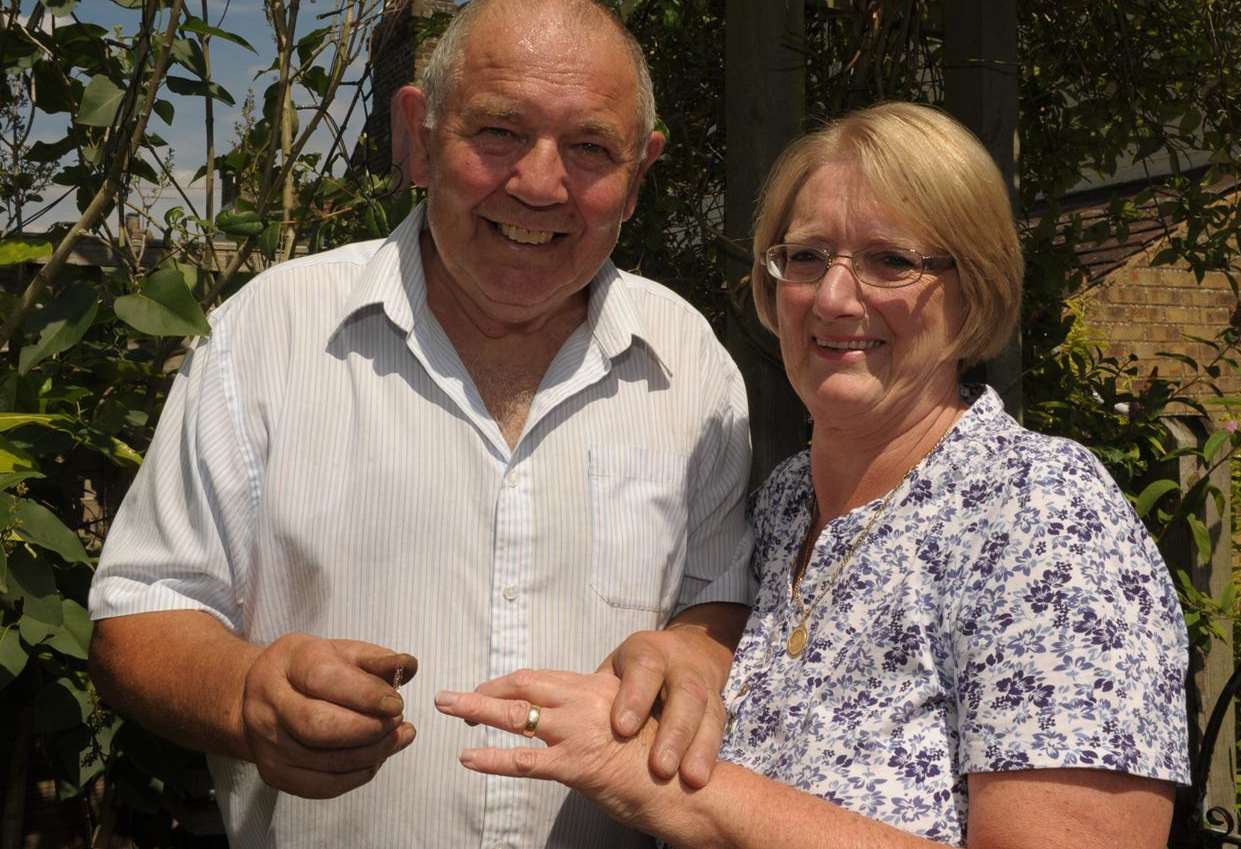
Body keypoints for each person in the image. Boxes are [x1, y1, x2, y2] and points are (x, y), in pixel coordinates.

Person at [433, 102, 1192, 849]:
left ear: (973, 291)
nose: (831, 297)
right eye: (805, 257)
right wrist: (683, 649)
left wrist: (683, 794)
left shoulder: (1041, 512)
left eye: (890, 261)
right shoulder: (783, 507)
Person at [86, 1, 754, 847]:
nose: (540, 184)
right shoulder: (272, 332)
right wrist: (247, 692)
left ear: (641, 173)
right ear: (418, 135)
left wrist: (696, 651)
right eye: (500, 131)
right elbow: (141, 612)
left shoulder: (691, 363)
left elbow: (714, 597)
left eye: (589, 146)